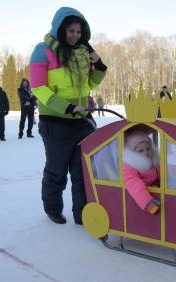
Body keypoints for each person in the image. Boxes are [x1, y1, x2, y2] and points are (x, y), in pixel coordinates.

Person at [30, 7, 107, 224]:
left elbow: (90, 84)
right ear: (61, 29)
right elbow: (38, 87)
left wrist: (99, 67)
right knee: (57, 170)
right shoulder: (42, 50)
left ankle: (82, 214)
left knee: (82, 171)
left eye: (78, 32)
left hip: (82, 122)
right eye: (71, 31)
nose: (75, 35)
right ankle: (53, 208)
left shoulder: (82, 53)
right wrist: (66, 107)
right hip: (56, 123)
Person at [124, 130, 160, 214]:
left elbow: (162, 170)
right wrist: (148, 203)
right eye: (141, 151)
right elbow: (133, 183)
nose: (146, 152)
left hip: (155, 188)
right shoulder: (129, 165)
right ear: (132, 153)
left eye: (148, 149)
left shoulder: (151, 159)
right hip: (144, 198)